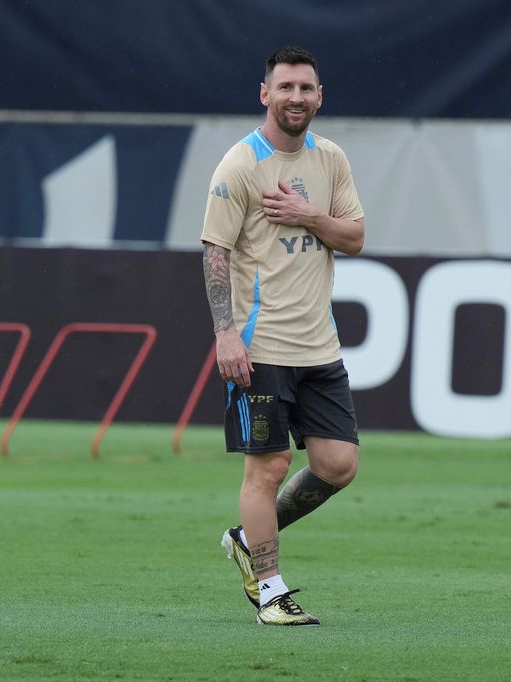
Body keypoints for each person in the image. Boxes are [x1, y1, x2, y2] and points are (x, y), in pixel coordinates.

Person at [200, 46, 364, 626]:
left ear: (320, 97)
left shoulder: (332, 160)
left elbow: (354, 236)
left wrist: (307, 216)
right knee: (266, 470)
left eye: (307, 88)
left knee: (338, 464)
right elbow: (215, 251)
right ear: (264, 93)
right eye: (286, 87)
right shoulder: (239, 166)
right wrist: (225, 334)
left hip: (319, 346)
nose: (297, 97)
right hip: (260, 346)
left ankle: (248, 539)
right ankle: (270, 590)